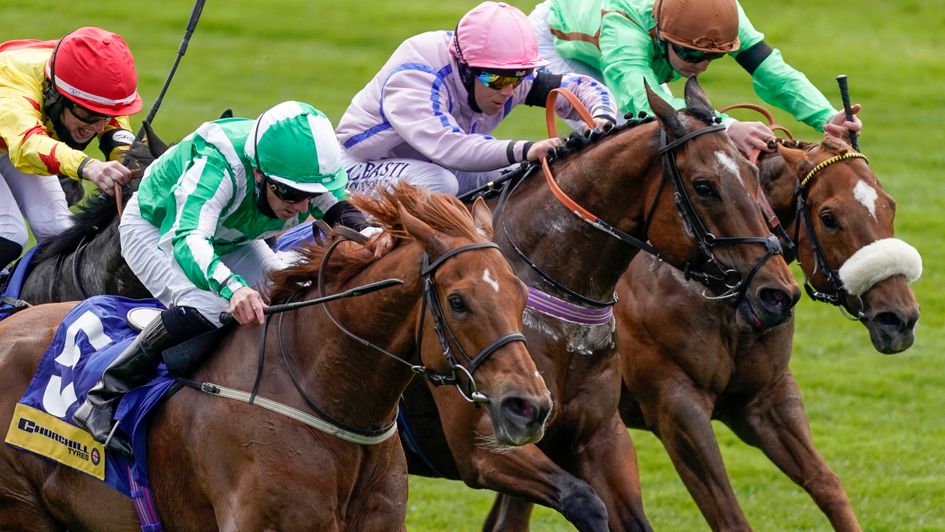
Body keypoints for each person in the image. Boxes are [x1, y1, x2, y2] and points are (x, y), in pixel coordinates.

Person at [73, 101, 390, 456]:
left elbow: (341, 210)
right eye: (289, 194)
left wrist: (376, 233)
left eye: (309, 196)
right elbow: (188, 239)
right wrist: (233, 287)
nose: (301, 207)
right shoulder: (218, 163)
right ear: (258, 173)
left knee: (285, 286)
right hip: (158, 228)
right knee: (209, 303)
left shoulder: (295, 170)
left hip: (232, 235)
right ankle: (104, 395)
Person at [336, 1, 618, 197]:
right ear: (465, 68)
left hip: (429, 164)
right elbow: (451, 147)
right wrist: (527, 148)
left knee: (529, 174)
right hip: (358, 168)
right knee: (438, 183)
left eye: (518, 78)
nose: (509, 90)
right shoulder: (414, 77)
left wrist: (602, 119)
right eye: (498, 80)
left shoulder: (502, 70)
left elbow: (580, 86)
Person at [528, 0, 864, 157]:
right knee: (625, 133)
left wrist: (826, 116)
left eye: (714, 57)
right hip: (560, 45)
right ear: (662, 36)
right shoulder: (623, 30)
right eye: (691, 54)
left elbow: (774, 72)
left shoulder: (723, 13)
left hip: (634, 51)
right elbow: (643, 104)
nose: (702, 65)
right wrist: (728, 127)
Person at [0, 27, 141, 272]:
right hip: (17, 137)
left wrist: (129, 162)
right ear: (56, 94)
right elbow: (27, 145)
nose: (97, 128)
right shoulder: (12, 85)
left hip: (9, 142)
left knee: (59, 232)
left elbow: (113, 119)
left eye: (104, 118)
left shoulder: (82, 89)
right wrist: (86, 166)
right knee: (10, 233)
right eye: (88, 115)